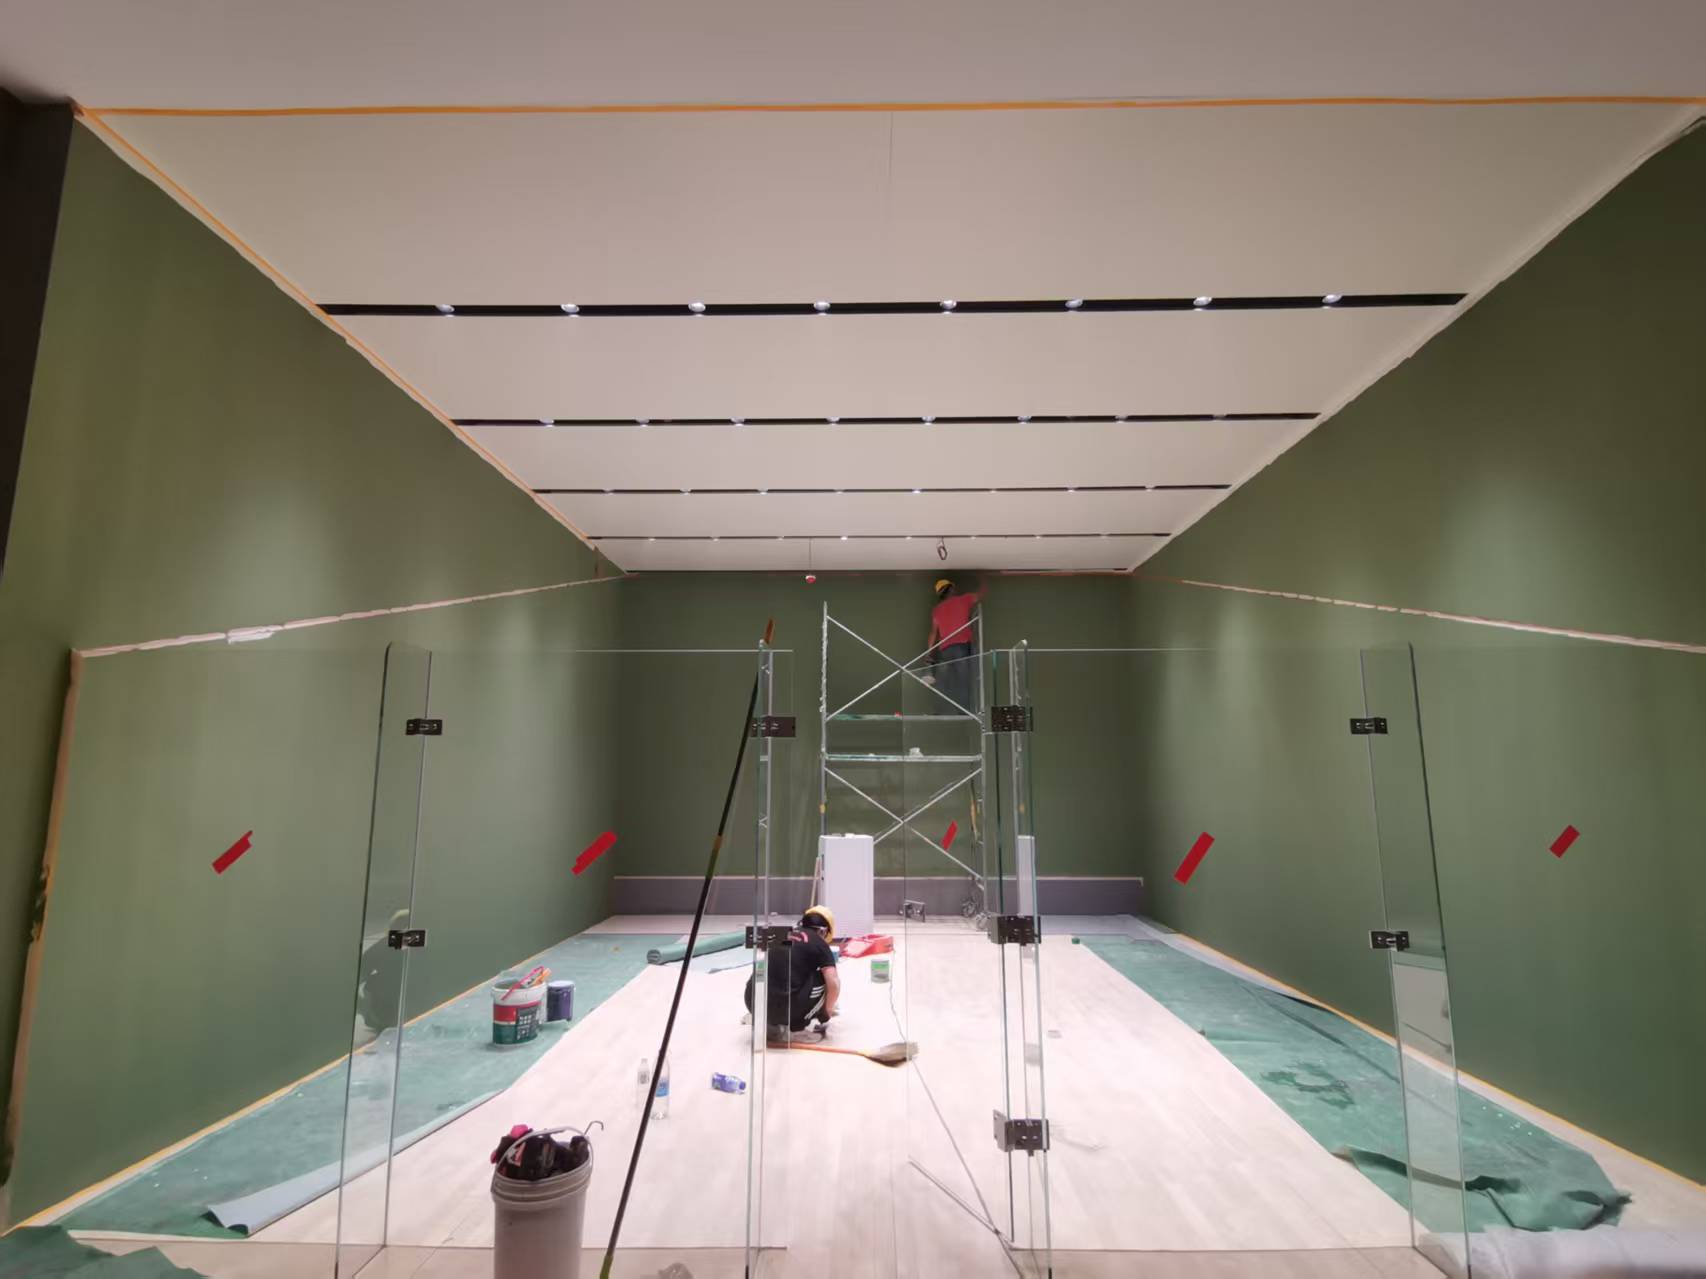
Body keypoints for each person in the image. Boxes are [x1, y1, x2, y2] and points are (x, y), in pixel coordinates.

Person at [744, 906, 840, 1040]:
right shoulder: (819, 943)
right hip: (787, 1011)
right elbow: (834, 983)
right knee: (824, 979)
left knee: (770, 971)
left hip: (753, 1002)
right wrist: (826, 1012)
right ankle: (796, 1028)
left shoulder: (782, 934)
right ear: (823, 931)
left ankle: (769, 1021)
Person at [926, 577, 986, 710]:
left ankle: (940, 711)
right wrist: (984, 579)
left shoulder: (937, 610)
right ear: (951, 589)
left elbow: (933, 634)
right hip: (961, 647)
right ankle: (964, 712)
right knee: (963, 680)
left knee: (947, 681)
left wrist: (929, 653)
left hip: (945, 650)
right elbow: (981, 594)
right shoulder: (964, 599)